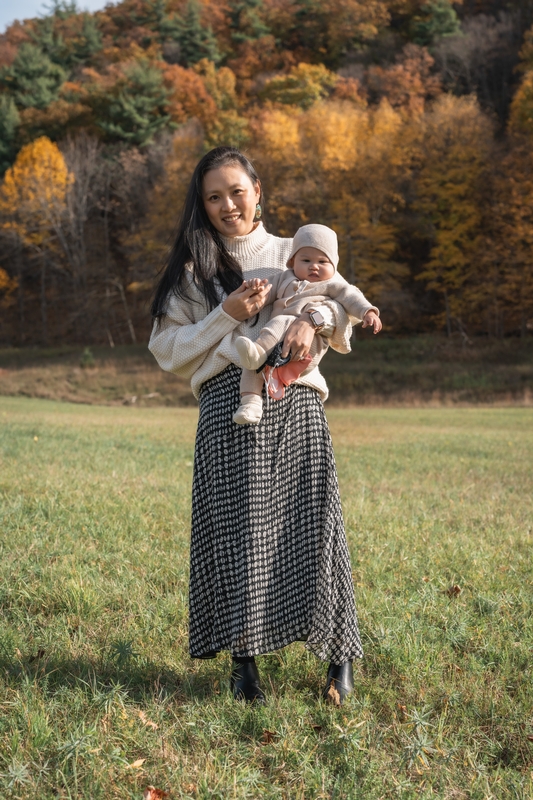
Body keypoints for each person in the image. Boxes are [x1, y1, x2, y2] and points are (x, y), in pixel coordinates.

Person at [149, 146, 371, 705]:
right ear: (202, 205)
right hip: (227, 407)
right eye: (214, 197)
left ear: (258, 191)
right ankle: (243, 665)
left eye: (236, 192)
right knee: (236, 532)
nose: (228, 205)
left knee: (317, 526)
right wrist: (227, 314)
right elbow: (167, 351)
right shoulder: (193, 269)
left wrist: (311, 322)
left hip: (295, 401)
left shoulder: (290, 249)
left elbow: (340, 304)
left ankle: (337, 656)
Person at [233, 223, 381, 424]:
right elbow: (264, 292)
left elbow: (352, 297)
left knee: (278, 327)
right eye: (306, 260)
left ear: (334, 266)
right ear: (293, 261)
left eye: (322, 261)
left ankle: (257, 353)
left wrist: (368, 311)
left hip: (308, 349)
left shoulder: (332, 285)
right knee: (251, 367)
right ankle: (250, 405)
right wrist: (254, 288)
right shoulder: (283, 278)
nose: (314, 266)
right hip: (274, 343)